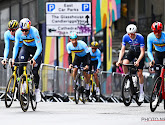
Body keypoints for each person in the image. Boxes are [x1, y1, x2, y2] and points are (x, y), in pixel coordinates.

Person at [12, 18, 42, 102]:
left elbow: (40, 47)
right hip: (26, 48)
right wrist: (13, 58)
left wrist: (34, 58)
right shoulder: (18, 32)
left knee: (35, 71)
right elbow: (16, 46)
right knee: (21, 63)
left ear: (29, 28)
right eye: (23, 31)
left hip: (35, 49)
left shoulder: (34, 31)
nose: (24, 33)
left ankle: (36, 89)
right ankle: (23, 82)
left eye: (26, 31)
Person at [116, 24, 145, 102]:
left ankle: (142, 92)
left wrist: (138, 61)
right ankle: (128, 79)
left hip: (139, 53)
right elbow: (122, 50)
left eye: (132, 34)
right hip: (132, 51)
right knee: (124, 64)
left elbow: (142, 52)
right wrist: (119, 60)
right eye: (129, 34)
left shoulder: (140, 37)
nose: (130, 36)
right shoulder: (125, 37)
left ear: (135, 33)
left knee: (139, 74)